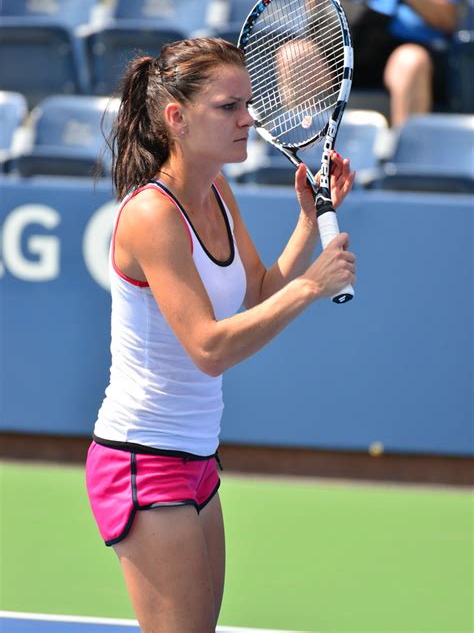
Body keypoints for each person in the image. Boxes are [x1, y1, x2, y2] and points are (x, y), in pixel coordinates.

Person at [85, 37, 356, 632]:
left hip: (198, 460)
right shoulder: (152, 214)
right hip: (143, 458)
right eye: (229, 106)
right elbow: (210, 349)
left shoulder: (216, 190)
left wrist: (308, 224)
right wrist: (310, 287)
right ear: (177, 119)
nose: (249, 118)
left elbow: (257, 291)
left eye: (249, 102)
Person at [317, 0, 459, 127]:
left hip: (397, 51)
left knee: (411, 61)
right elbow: (308, 4)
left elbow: (447, 20)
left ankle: (407, 152)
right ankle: (308, 150)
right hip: (342, 52)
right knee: (295, 54)